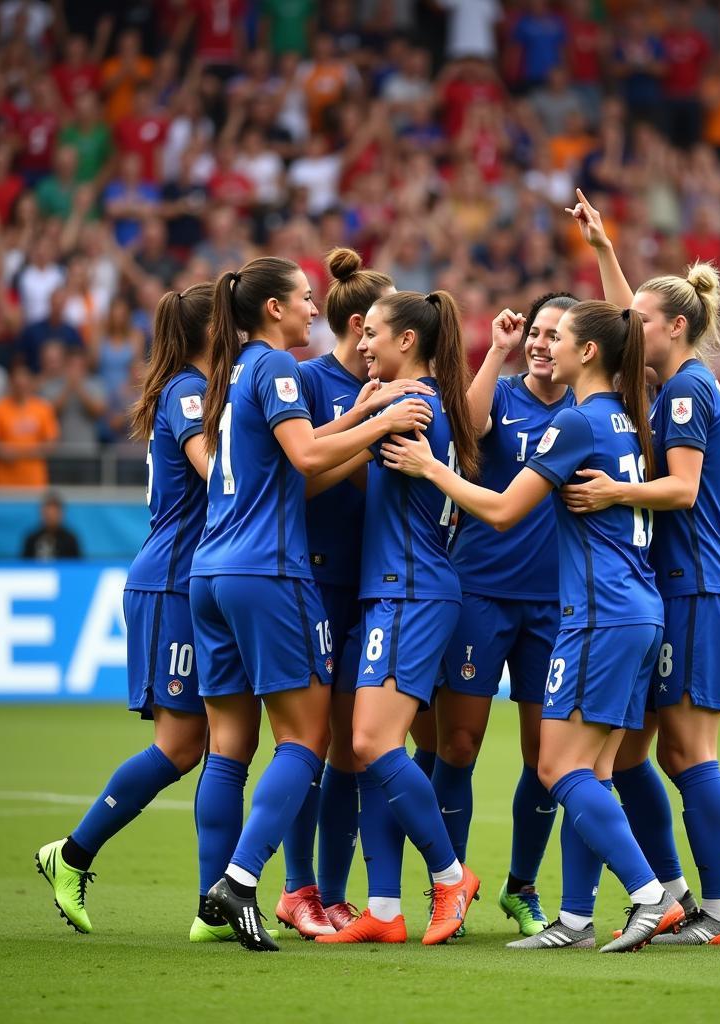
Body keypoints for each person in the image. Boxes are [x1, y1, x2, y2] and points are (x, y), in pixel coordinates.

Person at [381, 299, 686, 952]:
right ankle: (575, 920)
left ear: (588, 353)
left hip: (596, 615)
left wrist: (432, 468)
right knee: (592, 773)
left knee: (555, 767)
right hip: (637, 608)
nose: (547, 345)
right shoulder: (630, 418)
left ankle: (652, 893)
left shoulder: (577, 422)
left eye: (562, 336)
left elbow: (499, 510)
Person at [563, 187, 720, 944]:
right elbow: (630, 311)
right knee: (655, 750)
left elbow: (686, 488)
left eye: (643, 323)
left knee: (687, 750)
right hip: (690, 587)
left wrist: (612, 491)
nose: (631, 329)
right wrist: (604, 249)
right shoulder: (678, 383)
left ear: (677, 328)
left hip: (697, 587)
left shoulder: (690, 393)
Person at [191, 257, 431, 953]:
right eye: (300, 298)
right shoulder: (281, 370)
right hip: (270, 571)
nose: (310, 307)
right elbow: (303, 458)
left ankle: (214, 900)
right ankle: (240, 881)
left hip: (213, 571)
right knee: (309, 739)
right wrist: (383, 421)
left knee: (230, 748)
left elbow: (295, 451)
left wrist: (358, 414)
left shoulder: (237, 370)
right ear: (272, 309)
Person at [34, 283, 220, 938]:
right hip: (172, 580)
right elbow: (216, 467)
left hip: (199, 578)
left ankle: (214, 903)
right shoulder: (188, 392)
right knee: (180, 747)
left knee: (215, 744)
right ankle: (72, 854)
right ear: (207, 330)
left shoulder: (195, 387)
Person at [315, 290, 483, 947]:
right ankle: (383, 907)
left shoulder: (408, 404)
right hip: (397, 589)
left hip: (408, 590)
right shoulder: (419, 402)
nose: (362, 343)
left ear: (407, 341)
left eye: (375, 333)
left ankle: (449, 877)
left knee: (370, 745)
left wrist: (362, 412)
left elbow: (315, 463)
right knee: (370, 752)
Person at [433, 292, 577, 939]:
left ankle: (522, 885)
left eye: (556, 334)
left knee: (546, 757)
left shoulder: (588, 412)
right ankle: (451, 882)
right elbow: (464, 426)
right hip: (479, 593)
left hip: (555, 604)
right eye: (537, 333)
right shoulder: (507, 395)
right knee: (457, 744)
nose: (543, 343)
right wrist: (495, 350)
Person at [276, 247, 398, 938]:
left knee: (353, 748)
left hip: (371, 586)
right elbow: (297, 480)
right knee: (309, 740)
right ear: (359, 325)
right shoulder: (306, 382)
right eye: (381, 325)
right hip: (312, 580)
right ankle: (296, 887)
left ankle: (332, 892)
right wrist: (370, 429)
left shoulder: (394, 387)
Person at [0, 359, 59, 488]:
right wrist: (5, 452)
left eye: (24, 380)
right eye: (16, 381)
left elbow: (51, 443)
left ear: (30, 382)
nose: (20, 385)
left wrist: (19, 453)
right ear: (11, 383)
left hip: (35, 482)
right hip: (4, 482)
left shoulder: (43, 408)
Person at [22, 492, 82, 559]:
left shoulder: (70, 540)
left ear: (61, 514)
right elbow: (24, 565)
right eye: (47, 514)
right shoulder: (32, 538)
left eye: (54, 514)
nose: (50, 517)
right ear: (42, 513)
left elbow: (77, 565)